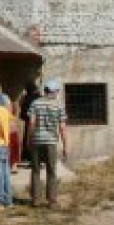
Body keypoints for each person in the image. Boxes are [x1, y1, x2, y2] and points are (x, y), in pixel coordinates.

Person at [27, 79, 68, 208]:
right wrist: (66, 145)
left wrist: (29, 139)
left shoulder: (35, 104)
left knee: (35, 170)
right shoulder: (59, 105)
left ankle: (36, 200)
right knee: (51, 171)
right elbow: (62, 127)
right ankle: (52, 201)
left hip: (37, 141)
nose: (57, 93)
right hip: (51, 142)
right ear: (53, 91)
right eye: (56, 91)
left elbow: (32, 123)